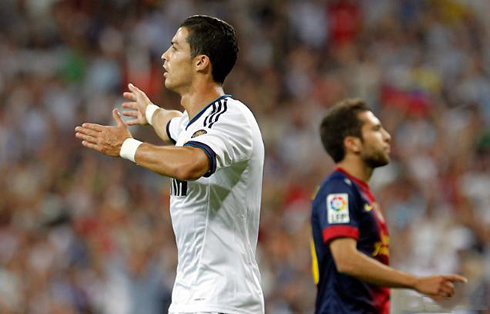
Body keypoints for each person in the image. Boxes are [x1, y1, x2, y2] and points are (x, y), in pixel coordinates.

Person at [75, 15, 265, 314]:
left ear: (201, 62)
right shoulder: (195, 124)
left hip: (223, 301)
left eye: (175, 48)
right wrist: (150, 111)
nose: (164, 55)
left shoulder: (232, 116)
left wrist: (126, 146)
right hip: (192, 301)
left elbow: (190, 163)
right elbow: (174, 125)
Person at [310, 99, 467, 314]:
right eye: (376, 129)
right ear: (352, 144)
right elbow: (345, 259)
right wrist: (416, 282)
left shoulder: (363, 194)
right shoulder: (338, 190)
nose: (387, 136)